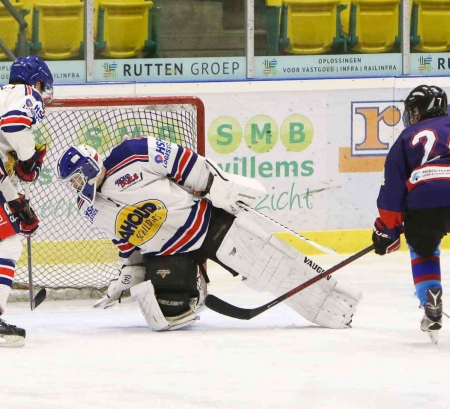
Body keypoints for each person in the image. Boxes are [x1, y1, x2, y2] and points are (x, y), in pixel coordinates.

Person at [56, 137, 362, 332]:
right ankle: (194, 288)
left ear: (89, 164)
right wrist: (129, 269)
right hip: (168, 256)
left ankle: (337, 304)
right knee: (164, 318)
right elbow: (123, 238)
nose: (75, 185)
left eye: (76, 177)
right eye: (71, 182)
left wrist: (217, 186)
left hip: (207, 226)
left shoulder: (131, 153)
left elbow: (183, 162)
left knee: (275, 268)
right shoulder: (88, 206)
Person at [371, 84, 450, 343]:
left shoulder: (406, 138)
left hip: (424, 199)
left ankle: (430, 294)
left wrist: (388, 230)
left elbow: (392, 192)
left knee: (424, 249)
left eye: (413, 110)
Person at [0, 56, 53, 347]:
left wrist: (16, 205)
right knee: (8, 244)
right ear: (36, 82)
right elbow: (12, 125)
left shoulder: (3, 95)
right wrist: (28, 156)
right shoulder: (27, 94)